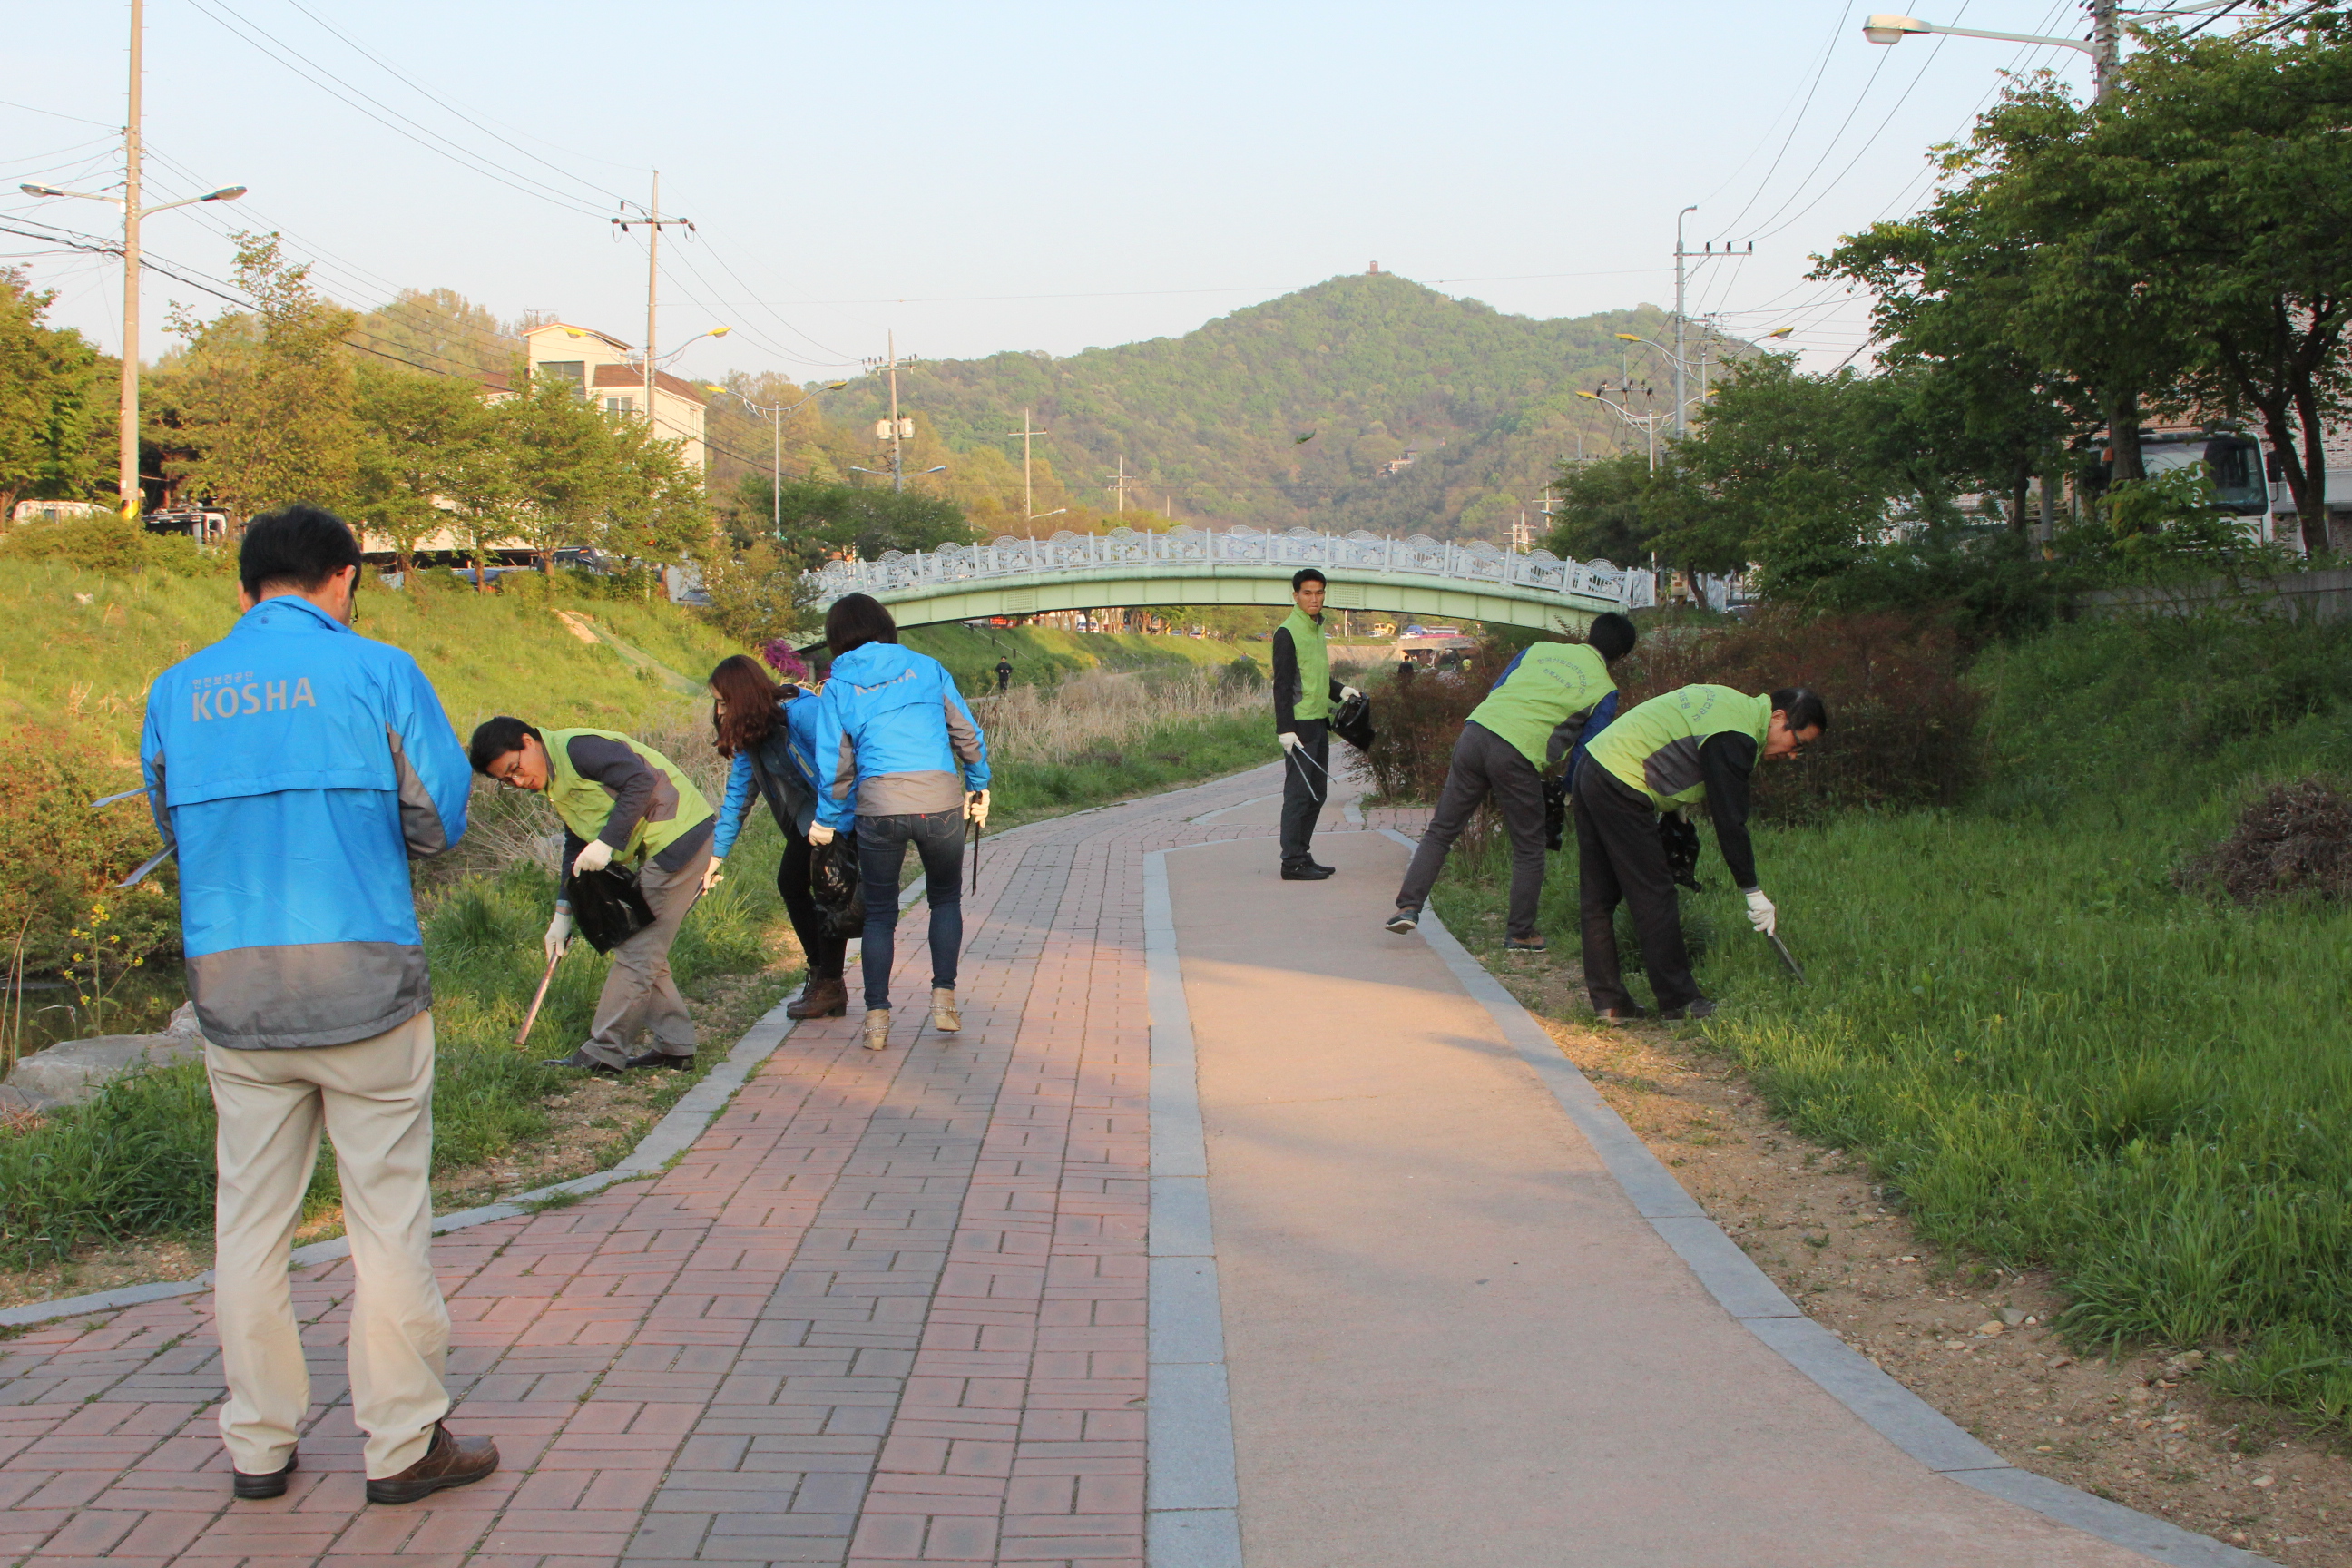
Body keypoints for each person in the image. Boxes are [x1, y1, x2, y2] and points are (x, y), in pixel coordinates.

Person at [140, 504, 496, 1506]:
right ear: (342, 577)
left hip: (235, 993)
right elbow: (439, 821)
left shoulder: (176, 690)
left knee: (247, 1224)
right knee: (385, 1220)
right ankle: (401, 1444)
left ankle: (258, 1445)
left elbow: (171, 820)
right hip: (366, 984)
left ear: (245, 585)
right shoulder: (377, 672)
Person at [466, 716, 716, 1073]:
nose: (520, 782)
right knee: (644, 950)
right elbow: (576, 841)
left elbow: (640, 781)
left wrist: (608, 842)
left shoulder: (577, 749)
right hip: (661, 845)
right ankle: (675, 1047)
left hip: (679, 838)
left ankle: (604, 1051)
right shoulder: (555, 778)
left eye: (516, 769)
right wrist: (562, 913)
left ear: (528, 741)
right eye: (508, 781)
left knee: (635, 951)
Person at [1574, 683, 1828, 1023]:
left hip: (1594, 766)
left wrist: (1674, 810)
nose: (1794, 755)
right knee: (1655, 894)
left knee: (1599, 896)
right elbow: (1730, 821)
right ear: (1779, 717)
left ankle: (1610, 1003)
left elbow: (1677, 742)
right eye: (1798, 743)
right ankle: (1679, 1002)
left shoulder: (1733, 706)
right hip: (1623, 782)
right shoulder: (1736, 733)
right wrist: (1753, 891)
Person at [1387, 612, 1638, 946]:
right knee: (1529, 846)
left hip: (1476, 734)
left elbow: (1499, 689)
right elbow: (1587, 749)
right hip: (1517, 754)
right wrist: (1567, 790)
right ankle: (1520, 933)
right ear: (1621, 656)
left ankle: (1408, 906)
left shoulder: (1538, 649)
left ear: (1590, 634)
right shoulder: (1605, 689)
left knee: (1442, 830)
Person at [808, 593, 991, 1052]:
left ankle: (876, 1019)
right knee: (945, 900)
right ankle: (944, 1001)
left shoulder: (836, 686)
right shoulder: (927, 666)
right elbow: (967, 733)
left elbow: (835, 763)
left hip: (879, 806)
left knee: (881, 915)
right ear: (885, 625)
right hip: (939, 800)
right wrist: (978, 782)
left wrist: (827, 819)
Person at [702, 654, 847, 1020]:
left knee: (830, 894)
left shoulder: (802, 714)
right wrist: (715, 857)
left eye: (723, 702)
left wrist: (833, 819)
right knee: (793, 883)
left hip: (838, 813)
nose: (719, 712)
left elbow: (839, 765)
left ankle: (829, 984)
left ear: (743, 697)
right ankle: (822, 976)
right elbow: (737, 798)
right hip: (808, 819)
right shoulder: (751, 736)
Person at [1271, 568, 1362, 880]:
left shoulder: (1316, 627)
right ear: (1295, 595)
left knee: (1316, 794)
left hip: (1319, 722)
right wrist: (1285, 729)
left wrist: (1340, 691)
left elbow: (1315, 675)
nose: (1314, 599)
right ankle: (1291, 863)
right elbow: (1282, 685)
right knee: (1298, 794)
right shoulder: (1287, 632)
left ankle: (1302, 855)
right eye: (1307, 593)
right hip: (1298, 726)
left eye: (1319, 593)